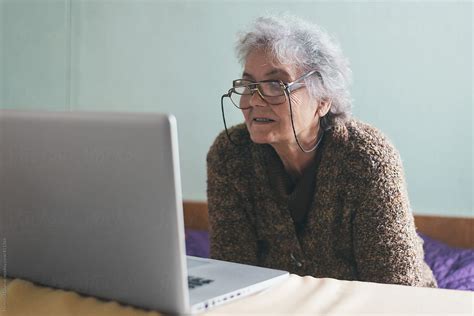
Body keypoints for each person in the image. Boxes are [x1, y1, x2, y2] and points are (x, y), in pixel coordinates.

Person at [207, 15, 437, 287]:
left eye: (275, 85)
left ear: (323, 101)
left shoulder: (367, 158)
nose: (253, 101)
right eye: (248, 85)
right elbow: (232, 278)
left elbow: (396, 288)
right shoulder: (229, 155)